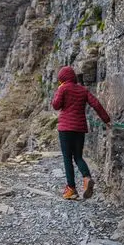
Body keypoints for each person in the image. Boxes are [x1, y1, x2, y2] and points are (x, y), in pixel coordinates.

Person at [51, 66, 111, 200]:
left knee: (67, 158)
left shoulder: (63, 88)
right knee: (78, 156)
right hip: (79, 128)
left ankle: (71, 189)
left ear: (62, 79)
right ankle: (86, 178)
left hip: (65, 128)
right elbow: (95, 103)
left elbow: (56, 105)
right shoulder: (83, 89)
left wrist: (59, 90)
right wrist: (106, 119)